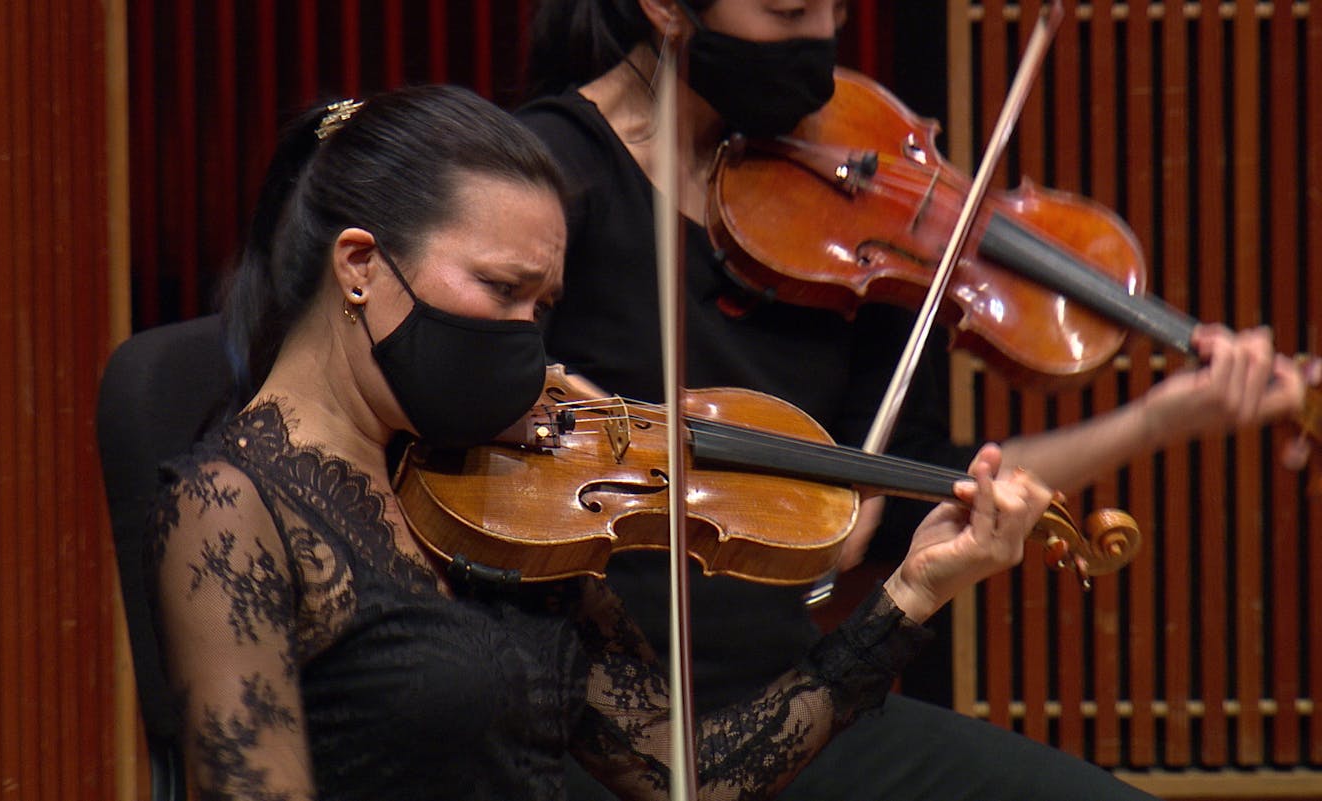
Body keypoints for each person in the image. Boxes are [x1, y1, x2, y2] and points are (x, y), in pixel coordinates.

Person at [146, 84, 1062, 800]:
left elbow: (694, 778)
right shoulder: (230, 509)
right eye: (500, 290)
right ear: (359, 267)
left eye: (540, 306)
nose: (528, 341)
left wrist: (912, 590)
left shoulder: (495, 491)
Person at [515, 1, 1311, 799]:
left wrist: (1163, 417)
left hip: (793, 709)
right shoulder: (542, 174)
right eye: (789, 12)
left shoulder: (856, 208)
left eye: (833, 10)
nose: (820, 43)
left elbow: (909, 480)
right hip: (582, 727)